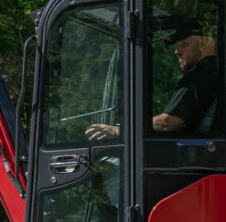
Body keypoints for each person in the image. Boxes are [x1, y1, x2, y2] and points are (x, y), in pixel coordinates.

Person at [86, 19, 218, 140]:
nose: (177, 51)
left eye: (184, 44)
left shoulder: (196, 78)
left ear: (204, 42)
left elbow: (168, 123)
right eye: (177, 45)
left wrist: (119, 130)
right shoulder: (219, 73)